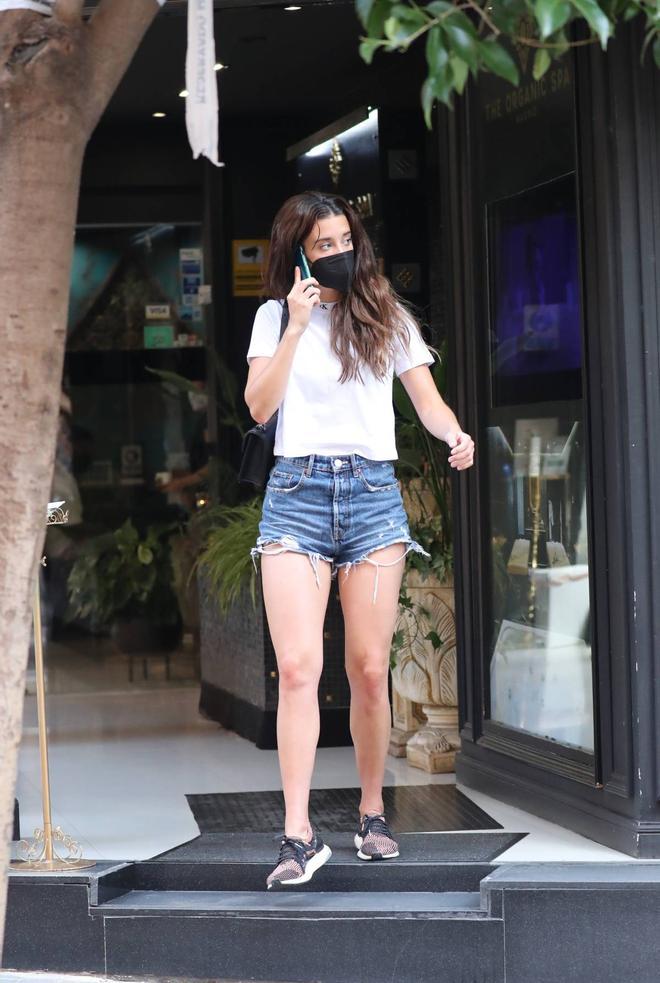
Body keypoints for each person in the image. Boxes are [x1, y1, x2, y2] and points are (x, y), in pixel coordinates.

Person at [244, 190, 475, 890]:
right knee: (298, 668)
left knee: (370, 668)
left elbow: (426, 399)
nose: (339, 251)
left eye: (346, 238)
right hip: (296, 496)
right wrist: (295, 326)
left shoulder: (388, 315)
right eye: (324, 244)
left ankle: (373, 813)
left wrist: (455, 434)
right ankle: (296, 831)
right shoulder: (275, 316)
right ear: (299, 253)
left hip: (373, 498)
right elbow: (259, 406)